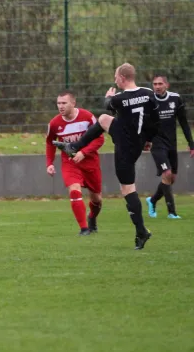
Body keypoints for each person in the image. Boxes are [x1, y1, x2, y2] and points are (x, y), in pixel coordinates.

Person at [53, 63, 160, 250]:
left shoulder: (118, 98)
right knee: (103, 119)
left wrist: (108, 96)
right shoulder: (149, 93)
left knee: (128, 189)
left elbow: (108, 104)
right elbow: (155, 119)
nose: (114, 79)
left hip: (125, 145)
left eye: (116, 76)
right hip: (136, 138)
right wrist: (148, 139)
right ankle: (74, 146)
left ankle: (141, 231)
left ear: (123, 78)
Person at [46, 91, 104, 235]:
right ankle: (84, 228)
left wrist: (84, 153)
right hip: (70, 162)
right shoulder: (54, 123)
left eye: (64, 103)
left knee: (97, 199)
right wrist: (50, 163)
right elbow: (50, 143)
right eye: (58, 103)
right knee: (74, 191)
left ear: (73, 103)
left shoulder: (87, 117)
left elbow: (99, 139)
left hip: (90, 162)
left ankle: (92, 218)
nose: (60, 106)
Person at [145, 74, 194, 219]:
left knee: (171, 178)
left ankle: (152, 200)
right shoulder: (149, 100)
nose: (157, 87)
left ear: (167, 85)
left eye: (160, 84)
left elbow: (184, 123)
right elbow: (144, 123)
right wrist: (146, 141)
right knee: (166, 174)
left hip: (172, 143)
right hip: (157, 143)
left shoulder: (175, 99)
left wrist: (191, 144)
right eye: (155, 84)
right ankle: (172, 212)